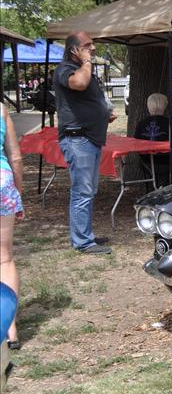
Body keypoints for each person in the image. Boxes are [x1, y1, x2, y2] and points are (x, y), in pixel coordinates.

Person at [53, 31, 115, 255]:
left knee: (88, 190)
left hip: (88, 138)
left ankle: (85, 234)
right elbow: (79, 83)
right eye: (88, 45)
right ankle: (83, 241)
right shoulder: (65, 69)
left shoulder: (81, 69)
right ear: (74, 50)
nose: (93, 48)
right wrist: (87, 62)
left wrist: (102, 114)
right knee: (82, 191)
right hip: (78, 139)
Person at [0, 103, 24, 348]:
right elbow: (15, 157)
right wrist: (18, 193)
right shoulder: (1, 109)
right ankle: (10, 328)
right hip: (2, 181)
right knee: (4, 259)